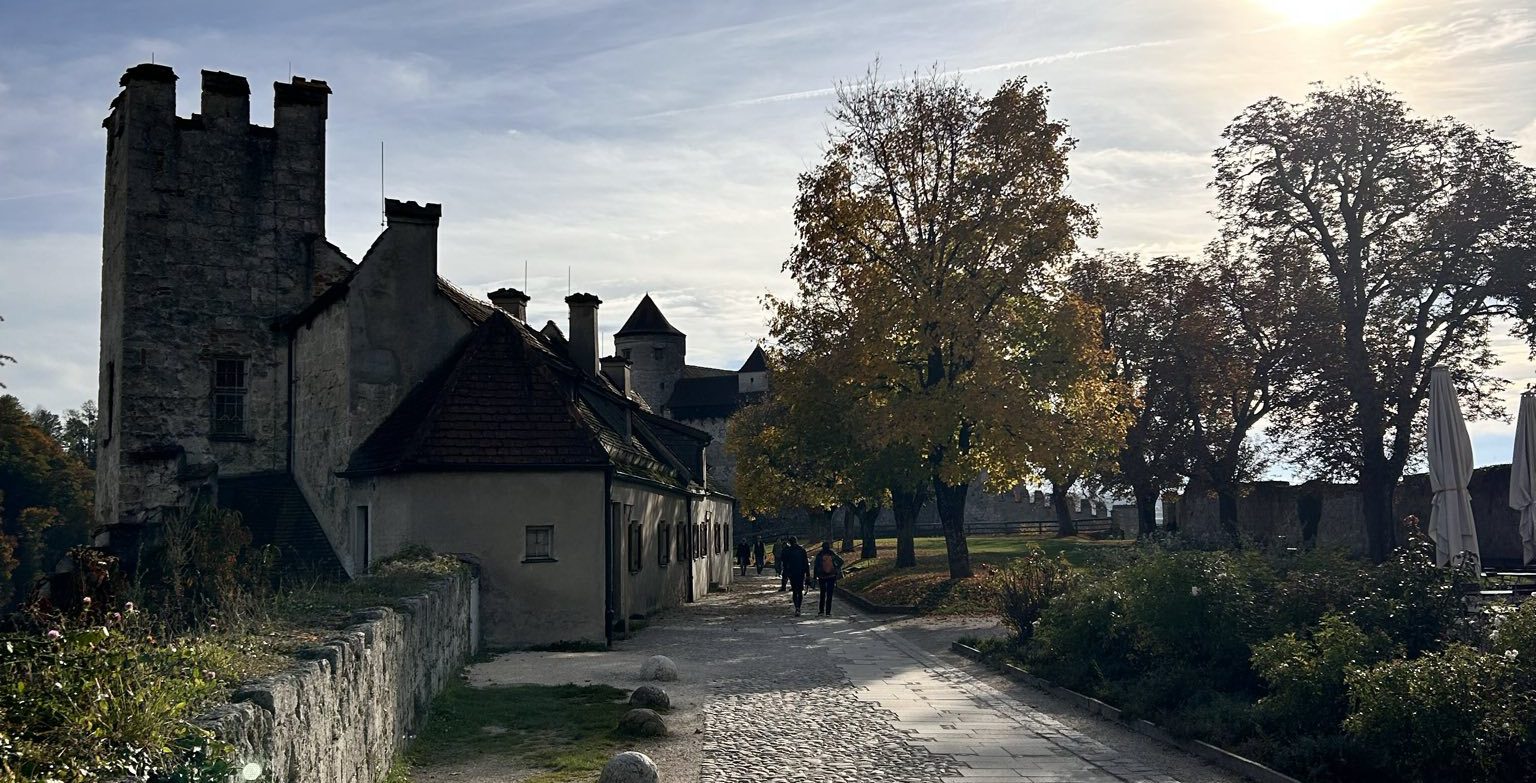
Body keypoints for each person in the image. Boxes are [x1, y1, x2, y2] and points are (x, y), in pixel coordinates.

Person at [813, 540, 845, 616]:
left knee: (822, 594)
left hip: (822, 576)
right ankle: (828, 611)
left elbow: (816, 566)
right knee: (830, 594)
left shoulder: (819, 555)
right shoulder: (832, 553)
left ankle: (821, 611)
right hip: (832, 575)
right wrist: (836, 568)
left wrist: (815, 576)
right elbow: (841, 561)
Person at [780, 536, 811, 616]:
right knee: (800, 591)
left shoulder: (788, 551)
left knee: (794, 590)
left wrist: (786, 574)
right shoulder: (801, 550)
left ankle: (796, 607)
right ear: (796, 541)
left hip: (792, 573)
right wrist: (807, 574)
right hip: (800, 573)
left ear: (789, 542)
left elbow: (784, 562)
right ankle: (798, 607)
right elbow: (805, 563)